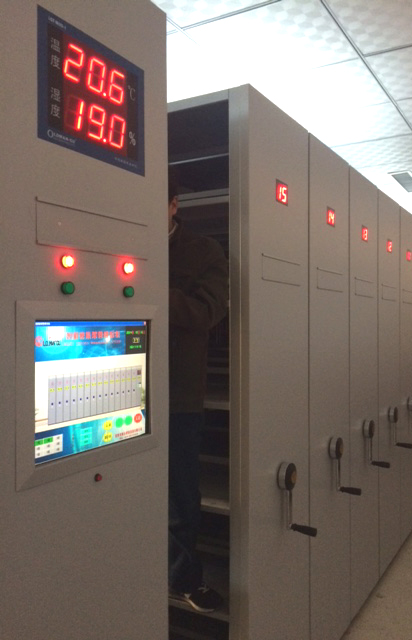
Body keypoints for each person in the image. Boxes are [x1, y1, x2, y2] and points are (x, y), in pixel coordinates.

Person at [168, 172, 229, 613]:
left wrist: (150, 288)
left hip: (178, 395)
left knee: (180, 495)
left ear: (174, 205)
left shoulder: (204, 250)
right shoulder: (123, 238)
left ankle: (183, 579)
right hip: (119, 384)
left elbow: (207, 312)